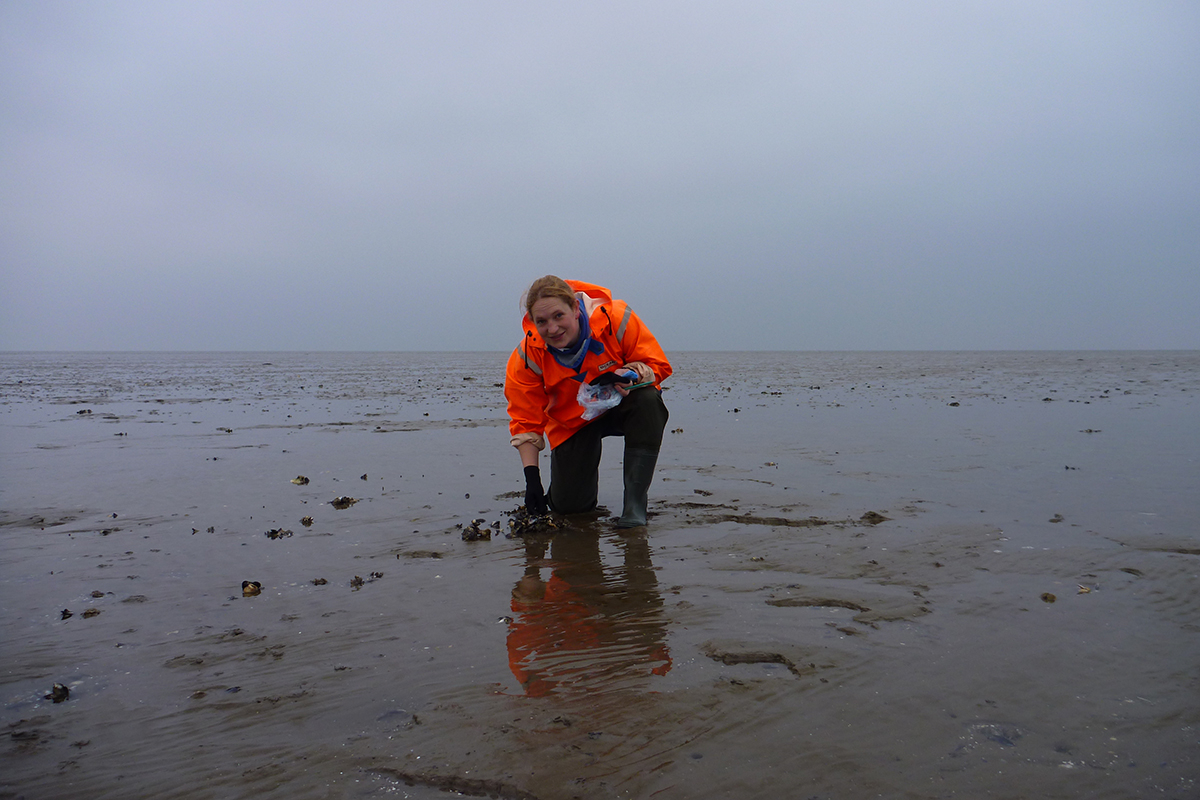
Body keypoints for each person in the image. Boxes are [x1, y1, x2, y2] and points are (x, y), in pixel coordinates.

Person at [505, 276, 671, 528]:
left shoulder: (616, 318)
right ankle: (571, 493)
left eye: (558, 316)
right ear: (533, 322)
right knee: (569, 508)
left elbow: (657, 365)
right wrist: (532, 479)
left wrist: (631, 374)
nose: (552, 329)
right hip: (572, 424)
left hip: (621, 406)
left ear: (574, 308)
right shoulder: (527, 356)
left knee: (648, 400)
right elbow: (525, 421)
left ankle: (634, 508)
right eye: (542, 321)